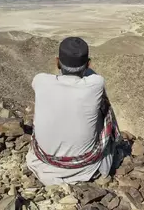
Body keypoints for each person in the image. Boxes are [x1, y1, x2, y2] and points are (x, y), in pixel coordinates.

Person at [26, 37, 122, 186]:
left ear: (57, 62)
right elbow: (92, 76)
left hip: (44, 164)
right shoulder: (96, 83)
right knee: (100, 109)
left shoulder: (40, 80)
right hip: (87, 168)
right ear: (88, 63)